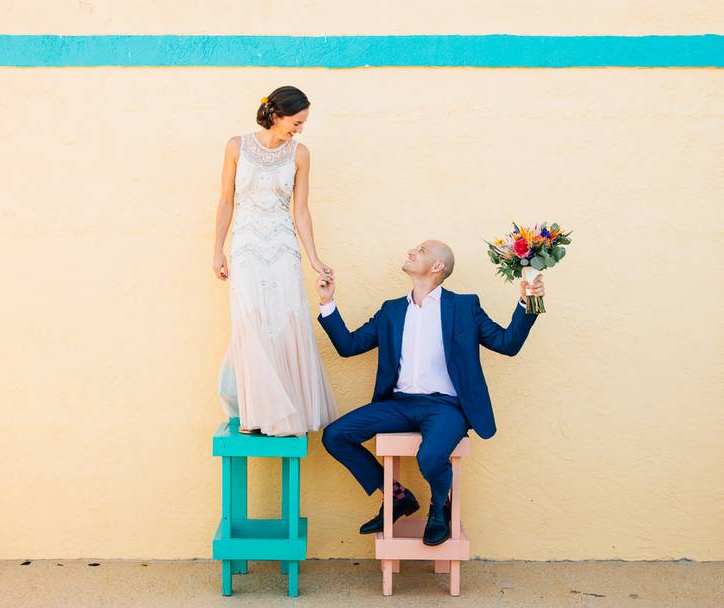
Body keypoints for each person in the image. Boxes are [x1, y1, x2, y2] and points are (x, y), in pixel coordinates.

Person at [316, 240, 544, 544]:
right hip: (397, 404)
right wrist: (327, 303)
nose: (410, 252)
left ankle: (440, 508)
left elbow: (507, 344)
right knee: (335, 436)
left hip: (445, 408)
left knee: (431, 457)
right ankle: (396, 496)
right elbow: (349, 346)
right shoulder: (391, 310)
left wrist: (530, 302)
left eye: (420, 251)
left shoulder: (465, 307)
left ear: (437, 267)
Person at [213, 86, 336, 436]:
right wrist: (218, 249)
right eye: (297, 122)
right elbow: (226, 201)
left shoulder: (301, 154)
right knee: (251, 320)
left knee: (284, 320)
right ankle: (258, 414)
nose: (301, 129)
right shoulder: (236, 146)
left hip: (282, 247)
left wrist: (313, 257)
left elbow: (300, 208)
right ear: (277, 115)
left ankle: (285, 415)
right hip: (247, 246)